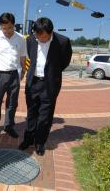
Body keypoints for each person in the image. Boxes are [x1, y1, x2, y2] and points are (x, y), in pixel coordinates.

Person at [19, 17, 72, 156]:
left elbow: (64, 62)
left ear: (51, 32)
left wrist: (51, 73)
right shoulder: (30, 40)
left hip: (49, 84)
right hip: (33, 83)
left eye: (44, 37)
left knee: (45, 116)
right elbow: (30, 57)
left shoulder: (62, 42)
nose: (40, 39)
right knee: (31, 113)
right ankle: (28, 139)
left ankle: (39, 142)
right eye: (38, 35)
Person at [0, 12, 27, 138]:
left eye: (9, 27)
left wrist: (23, 71)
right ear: (0, 26)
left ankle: (9, 126)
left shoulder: (20, 38)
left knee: (12, 103)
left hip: (14, 75)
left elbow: (22, 56)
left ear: (14, 25)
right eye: (4, 28)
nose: (7, 31)